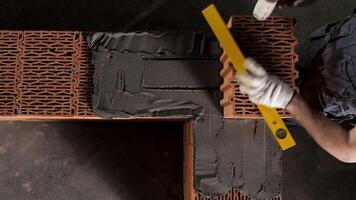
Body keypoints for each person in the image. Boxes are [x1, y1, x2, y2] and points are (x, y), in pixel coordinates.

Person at [236, 10, 356, 163]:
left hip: (319, 101)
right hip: (326, 45)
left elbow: (349, 148)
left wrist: (291, 101)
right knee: (278, 63)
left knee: (257, 117)